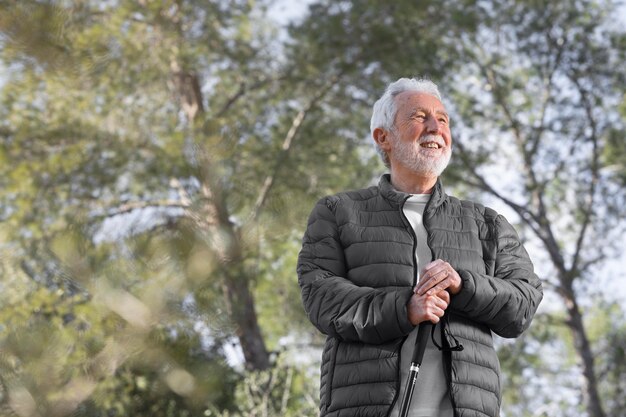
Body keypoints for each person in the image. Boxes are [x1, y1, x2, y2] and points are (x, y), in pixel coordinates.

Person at [297, 77, 543, 417]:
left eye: (442, 119)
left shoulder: (487, 223)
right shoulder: (338, 212)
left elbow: (524, 302)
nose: (435, 128)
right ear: (383, 137)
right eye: (419, 117)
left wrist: (463, 284)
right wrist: (405, 307)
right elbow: (320, 297)